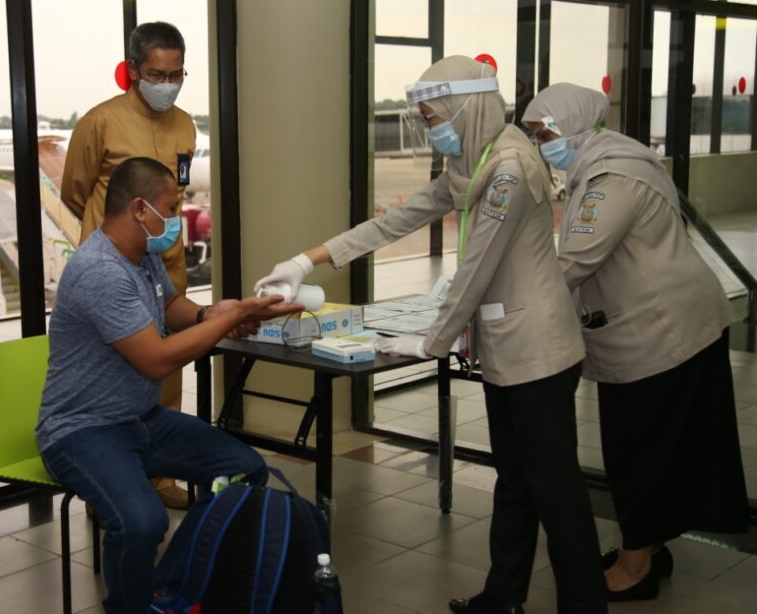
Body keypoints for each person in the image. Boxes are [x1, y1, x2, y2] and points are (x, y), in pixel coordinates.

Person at [256, 56, 607, 614]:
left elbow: (478, 265)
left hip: (538, 351)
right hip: (508, 346)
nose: (431, 129)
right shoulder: (473, 163)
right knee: (516, 481)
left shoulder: (511, 167)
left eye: (433, 117)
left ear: (467, 108)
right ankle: (502, 600)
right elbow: (394, 221)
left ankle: (585, 606)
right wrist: (306, 260)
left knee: (556, 492)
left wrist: (430, 342)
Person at [38, 157, 300, 614]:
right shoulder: (101, 270)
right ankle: (131, 606)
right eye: (171, 207)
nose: (177, 218)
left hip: (141, 420)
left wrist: (211, 314)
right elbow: (156, 360)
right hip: (82, 431)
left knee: (244, 471)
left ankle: (171, 584)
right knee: (141, 523)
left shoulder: (142, 254)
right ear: (140, 209)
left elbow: (171, 306)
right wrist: (231, 319)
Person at [523, 83, 750, 602]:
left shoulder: (611, 179)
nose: (541, 145)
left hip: (663, 333)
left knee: (640, 452)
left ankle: (636, 568)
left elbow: (574, 262)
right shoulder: (608, 160)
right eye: (535, 136)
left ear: (576, 126)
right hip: (668, 326)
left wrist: (508, 303)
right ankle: (649, 547)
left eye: (546, 134)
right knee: (658, 447)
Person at [61, 21, 197, 509]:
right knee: (112, 381)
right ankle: (110, 486)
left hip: (167, 267)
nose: (167, 85)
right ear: (134, 70)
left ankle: (158, 478)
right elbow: (75, 192)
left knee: (165, 376)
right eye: (157, 75)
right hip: (115, 273)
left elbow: (177, 191)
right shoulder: (100, 122)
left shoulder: (186, 125)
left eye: (176, 75)